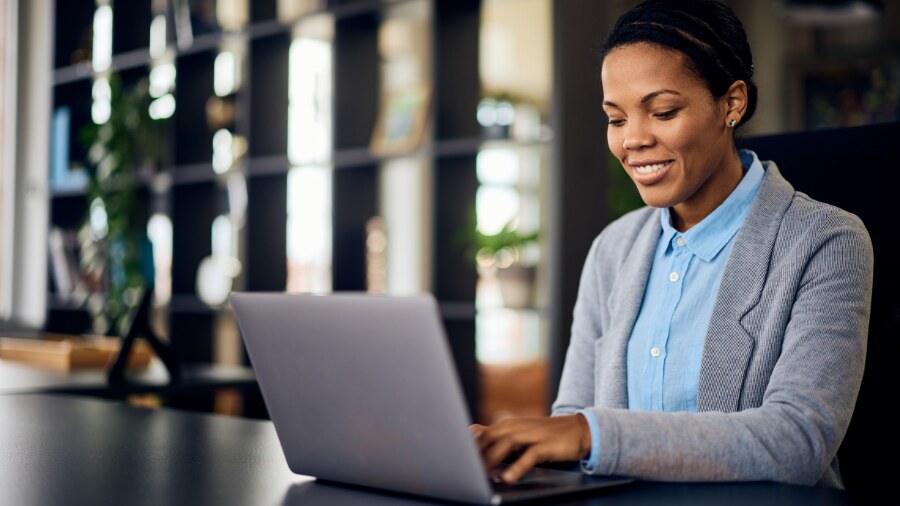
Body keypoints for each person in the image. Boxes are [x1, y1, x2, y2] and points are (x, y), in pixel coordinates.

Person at [470, 0, 874, 490]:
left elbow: (797, 441)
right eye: (616, 120)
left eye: (662, 112)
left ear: (732, 103)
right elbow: (573, 416)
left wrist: (590, 434)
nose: (633, 140)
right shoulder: (613, 249)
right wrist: (516, 447)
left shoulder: (826, 242)